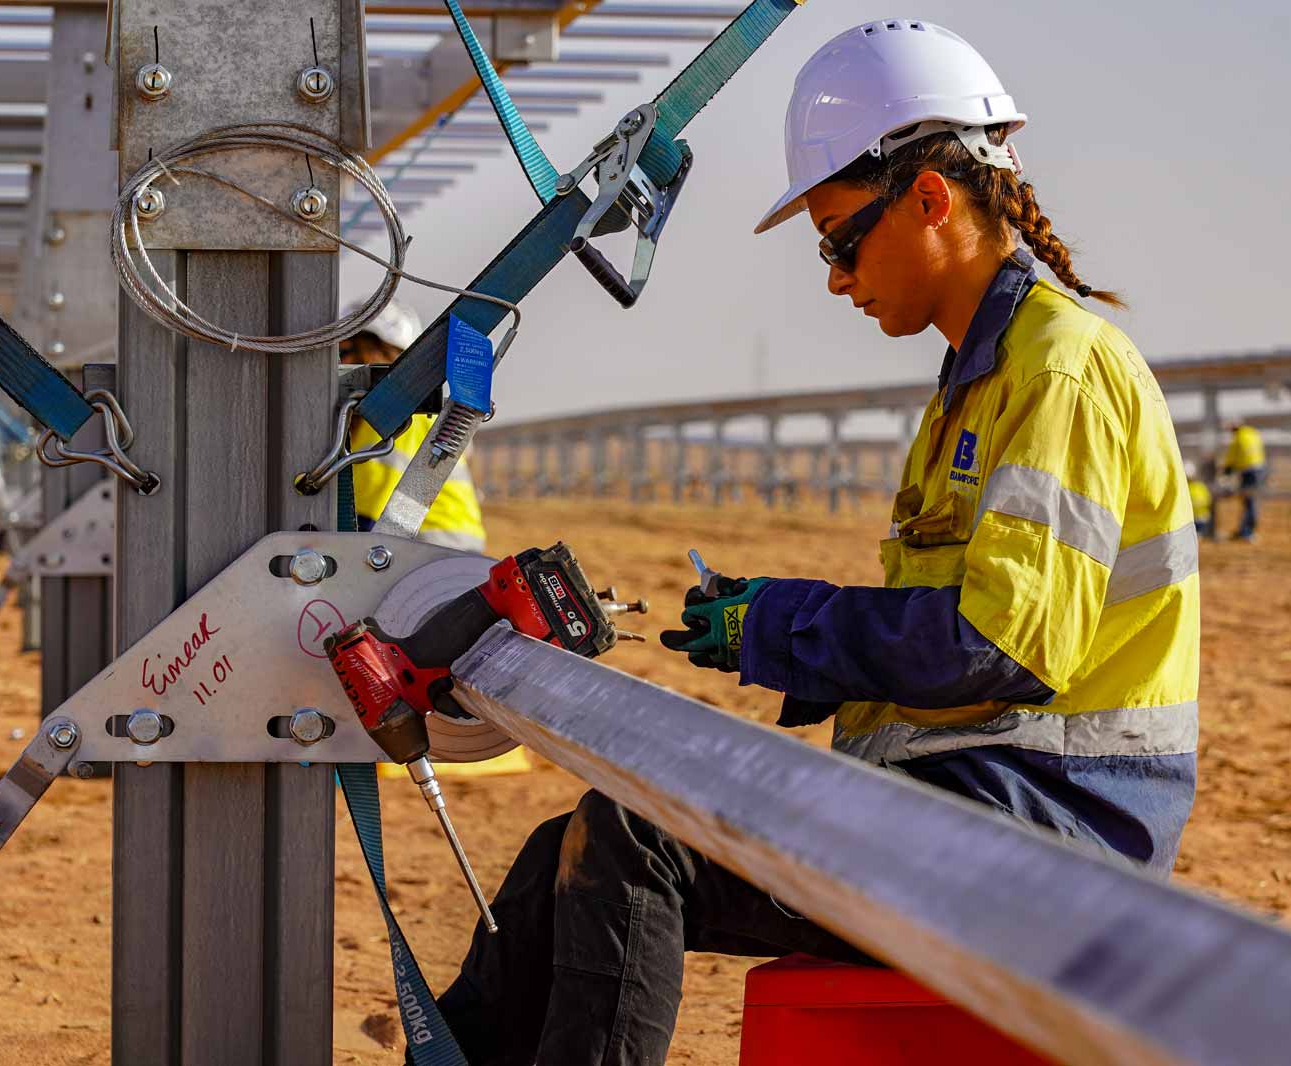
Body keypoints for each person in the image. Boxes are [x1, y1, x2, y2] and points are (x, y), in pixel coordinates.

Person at [423, 21, 1199, 1065]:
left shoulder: (1054, 369)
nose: (835, 277)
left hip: (1046, 841)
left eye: (839, 239)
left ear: (928, 196)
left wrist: (781, 624)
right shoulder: (980, 379)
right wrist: (769, 628)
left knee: (631, 840)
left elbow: (1000, 647)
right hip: (974, 803)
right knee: (557, 852)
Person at [340, 299, 487, 553]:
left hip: (436, 553)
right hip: (448, 551)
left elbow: (366, 516)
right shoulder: (411, 411)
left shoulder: (396, 416)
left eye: (345, 352)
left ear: (378, 353)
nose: (339, 365)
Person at [1221, 420, 1266, 541]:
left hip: (1248, 473)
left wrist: (1226, 472)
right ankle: (1246, 530)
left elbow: (1231, 458)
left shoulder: (1238, 439)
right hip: (1260, 470)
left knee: (1249, 502)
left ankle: (1246, 532)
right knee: (1251, 502)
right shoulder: (1253, 434)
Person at [1186, 460, 1215, 539]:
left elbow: (1208, 500)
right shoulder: (1185, 488)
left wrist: (1198, 503)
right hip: (1190, 522)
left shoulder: (1200, 486)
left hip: (1202, 520)